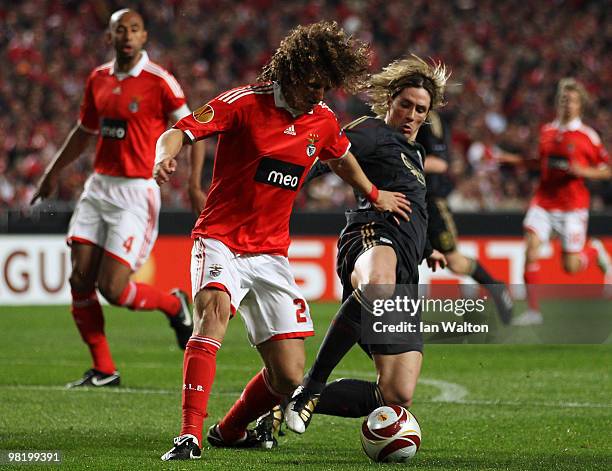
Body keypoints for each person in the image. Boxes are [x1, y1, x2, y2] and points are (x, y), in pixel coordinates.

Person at [154, 21, 411, 461]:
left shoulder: (324, 120)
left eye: (326, 85)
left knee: (290, 377)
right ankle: (189, 436)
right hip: (220, 238)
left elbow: (343, 158)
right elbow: (181, 130)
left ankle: (229, 430)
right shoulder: (243, 103)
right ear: (290, 71)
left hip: (271, 253)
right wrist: (165, 155)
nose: (318, 93)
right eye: (312, 82)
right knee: (213, 312)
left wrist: (373, 193)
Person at [31, 9, 205, 387]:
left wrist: (193, 185)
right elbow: (84, 131)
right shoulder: (98, 79)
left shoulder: (160, 81)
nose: (127, 35)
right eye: (120, 30)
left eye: (135, 29)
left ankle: (175, 305)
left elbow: (192, 129)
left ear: (144, 37)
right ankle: (104, 370)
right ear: (109, 38)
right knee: (79, 280)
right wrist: (52, 171)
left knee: (113, 289)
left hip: (135, 192)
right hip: (99, 188)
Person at [280, 55, 449, 436]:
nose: (410, 114)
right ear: (390, 100)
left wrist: (426, 247)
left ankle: (281, 403)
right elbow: (324, 154)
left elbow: (414, 208)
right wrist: (283, 184)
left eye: (420, 109)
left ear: (428, 114)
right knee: (377, 286)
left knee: (397, 393)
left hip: (406, 263)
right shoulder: (372, 131)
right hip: (372, 236)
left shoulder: (416, 155)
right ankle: (311, 386)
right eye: (404, 104)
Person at [512, 78, 611, 326]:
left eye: (573, 100)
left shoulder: (588, 136)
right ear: (558, 102)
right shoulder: (546, 131)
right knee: (530, 249)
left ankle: (594, 250)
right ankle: (534, 312)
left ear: (580, 105)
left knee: (571, 266)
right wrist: (515, 161)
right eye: (564, 99)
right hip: (543, 202)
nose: (567, 103)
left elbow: (607, 169)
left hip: (572, 207)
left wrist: (584, 172)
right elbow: (541, 162)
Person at [417, 110, 514, 324]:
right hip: (403, 200)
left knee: (455, 262)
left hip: (431, 202)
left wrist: (400, 164)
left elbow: (440, 162)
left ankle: (494, 287)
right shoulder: (395, 114)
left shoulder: (428, 117)